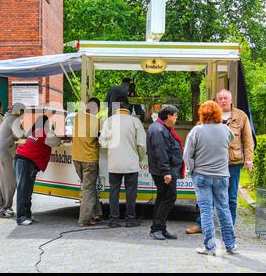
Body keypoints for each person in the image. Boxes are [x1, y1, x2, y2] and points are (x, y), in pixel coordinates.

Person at [185, 89, 254, 234]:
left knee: (231, 197)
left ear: (230, 100)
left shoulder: (241, 116)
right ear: (217, 101)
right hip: (211, 164)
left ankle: (229, 226)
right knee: (206, 198)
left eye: (225, 98)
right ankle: (202, 225)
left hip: (233, 163)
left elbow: (248, 140)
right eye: (220, 98)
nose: (223, 101)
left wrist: (249, 159)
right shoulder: (207, 117)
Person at [183, 100, 237, 255]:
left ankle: (210, 247)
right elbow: (230, 140)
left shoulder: (196, 131)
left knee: (206, 211)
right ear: (218, 113)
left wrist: (193, 169)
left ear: (202, 113)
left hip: (202, 176)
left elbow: (187, 155)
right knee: (224, 209)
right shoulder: (226, 130)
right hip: (222, 176)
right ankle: (231, 244)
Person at [99, 95, 146, 228]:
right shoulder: (135, 122)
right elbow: (142, 145)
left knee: (114, 192)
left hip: (114, 163)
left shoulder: (109, 121)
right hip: (131, 163)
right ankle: (130, 219)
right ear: (128, 106)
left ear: (117, 107)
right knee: (131, 193)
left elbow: (102, 142)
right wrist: (139, 158)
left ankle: (114, 220)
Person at [14, 115, 61, 225]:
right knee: (23, 190)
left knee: (27, 190)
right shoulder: (43, 132)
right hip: (26, 162)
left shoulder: (34, 131)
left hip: (23, 160)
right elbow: (56, 141)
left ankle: (27, 214)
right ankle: (21, 217)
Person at [146, 105, 183, 240]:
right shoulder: (158, 130)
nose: (176, 118)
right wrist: (166, 172)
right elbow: (160, 153)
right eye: (175, 116)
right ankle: (157, 228)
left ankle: (160, 228)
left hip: (164, 170)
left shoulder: (161, 128)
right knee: (169, 197)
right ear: (169, 116)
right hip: (164, 172)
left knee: (163, 197)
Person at [72, 97, 103, 227]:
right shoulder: (97, 121)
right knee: (89, 189)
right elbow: (102, 140)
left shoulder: (77, 118)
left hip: (76, 158)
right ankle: (84, 219)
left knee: (88, 187)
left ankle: (97, 213)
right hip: (90, 159)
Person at [0, 102, 26, 218]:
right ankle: (5, 207)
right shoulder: (13, 119)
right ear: (20, 111)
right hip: (4, 154)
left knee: (0, 182)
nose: (24, 115)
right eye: (24, 112)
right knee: (10, 183)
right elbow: (20, 135)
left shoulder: (7, 118)